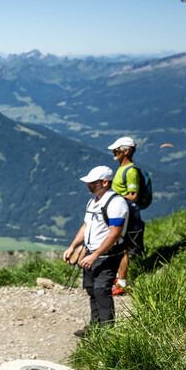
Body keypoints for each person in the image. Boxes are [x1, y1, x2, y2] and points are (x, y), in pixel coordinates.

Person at [63, 165, 128, 334]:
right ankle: (95, 326)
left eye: (92, 182)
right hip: (92, 253)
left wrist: (95, 255)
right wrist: (73, 247)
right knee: (91, 289)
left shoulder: (117, 203)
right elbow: (86, 227)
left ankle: (107, 332)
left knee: (101, 290)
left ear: (105, 182)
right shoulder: (93, 202)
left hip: (108, 254)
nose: (88, 185)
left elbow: (114, 234)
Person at [107, 137, 144, 296]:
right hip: (120, 212)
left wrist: (115, 199)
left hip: (127, 214)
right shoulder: (122, 169)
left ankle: (121, 283)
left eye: (117, 150)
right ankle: (118, 278)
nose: (114, 153)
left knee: (123, 247)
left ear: (126, 151)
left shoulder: (131, 171)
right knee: (117, 245)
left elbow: (134, 196)